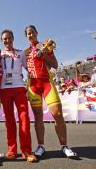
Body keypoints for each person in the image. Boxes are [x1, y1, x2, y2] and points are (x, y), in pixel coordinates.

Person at [24, 25, 77, 158]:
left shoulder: (45, 46)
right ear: (26, 37)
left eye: (32, 32)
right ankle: (41, 146)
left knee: (58, 114)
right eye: (28, 34)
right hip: (33, 85)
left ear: (36, 33)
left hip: (47, 82)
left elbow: (55, 64)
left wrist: (43, 55)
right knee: (38, 116)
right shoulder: (24, 52)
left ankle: (64, 146)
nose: (31, 35)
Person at [0, 29, 37, 162]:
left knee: (24, 119)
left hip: (19, 88)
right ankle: (12, 150)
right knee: (9, 121)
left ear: (13, 38)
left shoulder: (21, 53)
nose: (7, 40)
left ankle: (27, 151)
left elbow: (30, 68)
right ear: (2, 41)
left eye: (9, 38)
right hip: (4, 89)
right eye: (5, 39)